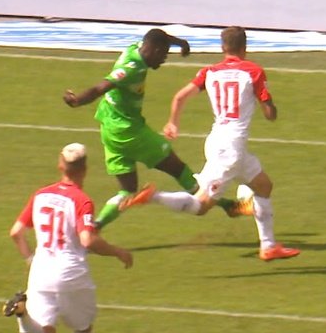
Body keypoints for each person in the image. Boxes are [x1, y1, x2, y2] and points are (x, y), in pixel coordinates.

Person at [129, 26, 300, 261]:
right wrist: (269, 104)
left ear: (223, 48)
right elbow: (270, 113)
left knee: (263, 186)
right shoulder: (253, 71)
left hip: (218, 140)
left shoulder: (208, 72)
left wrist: (173, 123)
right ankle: (154, 196)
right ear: (244, 48)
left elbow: (179, 96)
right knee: (201, 206)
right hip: (231, 148)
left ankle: (268, 246)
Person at [63, 28, 237, 231]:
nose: (164, 60)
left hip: (110, 129)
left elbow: (157, 36)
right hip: (127, 131)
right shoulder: (131, 68)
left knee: (128, 190)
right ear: (154, 50)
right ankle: (226, 204)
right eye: (163, 54)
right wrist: (76, 101)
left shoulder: (140, 47)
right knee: (177, 168)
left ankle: (95, 226)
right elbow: (100, 89)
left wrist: (180, 42)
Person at [2, 143, 133, 333]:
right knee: (83, 328)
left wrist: (30, 260)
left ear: (60, 166)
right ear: (85, 170)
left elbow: (16, 232)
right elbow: (87, 240)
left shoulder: (40, 195)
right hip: (70, 271)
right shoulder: (81, 200)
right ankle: (23, 316)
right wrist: (118, 252)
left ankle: (22, 315)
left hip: (41, 271)